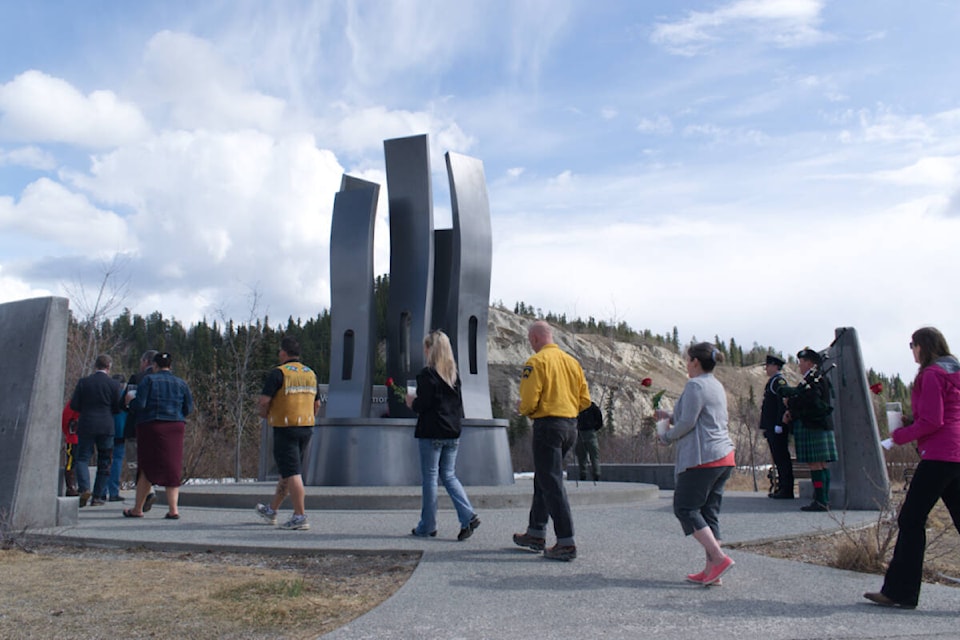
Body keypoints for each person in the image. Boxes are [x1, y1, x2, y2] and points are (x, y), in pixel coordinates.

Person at [864, 327, 960, 610]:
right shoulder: (955, 370)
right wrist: (911, 420)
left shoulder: (931, 374)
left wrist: (898, 436)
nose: (912, 351)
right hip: (956, 455)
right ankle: (899, 591)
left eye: (912, 345)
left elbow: (932, 421)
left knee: (910, 521)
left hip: (939, 456)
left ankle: (900, 591)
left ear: (923, 346)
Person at [654, 342, 736, 586]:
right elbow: (699, 416)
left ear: (695, 362)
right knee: (709, 513)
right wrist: (669, 416)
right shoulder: (715, 385)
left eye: (687, 361)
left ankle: (719, 559)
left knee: (685, 508)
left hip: (703, 458)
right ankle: (712, 571)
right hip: (723, 456)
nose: (686, 366)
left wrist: (665, 436)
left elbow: (688, 422)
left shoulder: (695, 385)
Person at [513, 320, 591, 561]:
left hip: (548, 425)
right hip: (570, 425)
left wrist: (525, 409)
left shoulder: (536, 362)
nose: (530, 344)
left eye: (530, 340)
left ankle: (566, 542)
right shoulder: (572, 362)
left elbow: (529, 399)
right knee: (545, 478)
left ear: (535, 339)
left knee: (552, 482)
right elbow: (584, 399)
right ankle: (536, 531)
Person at [406, 330, 481, 541]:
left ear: (430, 350)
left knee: (430, 478)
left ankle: (427, 525)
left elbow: (424, 404)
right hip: (452, 431)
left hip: (432, 431)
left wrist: (412, 403)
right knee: (448, 475)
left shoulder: (427, 375)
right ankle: (467, 516)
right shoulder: (454, 376)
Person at [255, 336, 319, 531]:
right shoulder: (310, 373)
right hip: (306, 426)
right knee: (287, 469)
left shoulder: (279, 373)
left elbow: (264, 400)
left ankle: (300, 515)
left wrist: (263, 414)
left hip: (285, 426)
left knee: (292, 472)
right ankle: (272, 509)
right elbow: (317, 403)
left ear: (283, 353)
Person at [123, 352, 194, 520]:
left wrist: (128, 402)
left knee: (146, 466)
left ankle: (138, 508)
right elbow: (188, 408)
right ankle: (173, 509)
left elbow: (140, 404)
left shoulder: (149, 380)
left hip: (151, 425)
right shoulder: (181, 383)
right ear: (170, 365)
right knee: (172, 466)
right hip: (175, 426)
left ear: (154, 365)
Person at [778, 347, 837, 512]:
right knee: (821, 464)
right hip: (819, 425)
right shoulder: (814, 378)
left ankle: (821, 500)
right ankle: (822, 498)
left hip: (814, 425)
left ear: (810, 363)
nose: (799, 366)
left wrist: (790, 404)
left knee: (816, 464)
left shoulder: (814, 379)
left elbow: (811, 402)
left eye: (801, 362)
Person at [69, 354, 122, 507]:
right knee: (105, 461)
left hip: (86, 424)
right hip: (106, 425)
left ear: (95, 365)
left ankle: (84, 488)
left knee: (82, 458)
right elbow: (117, 407)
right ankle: (98, 496)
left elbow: (74, 405)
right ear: (109, 367)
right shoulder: (113, 385)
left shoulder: (84, 383)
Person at [123, 350, 158, 509]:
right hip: (157, 427)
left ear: (145, 362)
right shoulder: (164, 381)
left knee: (134, 463)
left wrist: (129, 402)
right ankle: (148, 492)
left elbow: (124, 402)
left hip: (135, 427)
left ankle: (147, 493)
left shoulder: (137, 379)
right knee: (150, 462)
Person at [760, 354, 793, 499]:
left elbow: (783, 403)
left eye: (768, 366)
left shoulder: (778, 382)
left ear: (775, 366)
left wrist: (779, 424)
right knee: (778, 458)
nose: (766, 368)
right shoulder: (772, 381)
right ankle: (782, 487)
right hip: (772, 426)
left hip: (777, 427)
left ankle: (786, 488)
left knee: (782, 457)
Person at [104, 373, 128, 501]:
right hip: (121, 430)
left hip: (107, 429)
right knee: (117, 460)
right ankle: (113, 491)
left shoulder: (107, 394)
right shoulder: (126, 395)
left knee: (104, 459)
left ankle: (102, 490)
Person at [575, 401, 603, 482]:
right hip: (590, 432)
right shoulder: (593, 407)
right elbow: (600, 422)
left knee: (582, 455)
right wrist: (594, 428)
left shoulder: (578, 407)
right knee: (593, 455)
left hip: (582, 432)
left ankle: (583, 474)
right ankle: (596, 473)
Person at [60, 401, 80, 497]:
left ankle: (79, 485)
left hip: (84, 438)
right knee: (71, 462)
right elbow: (65, 419)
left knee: (80, 461)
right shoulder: (74, 403)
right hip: (73, 438)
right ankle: (70, 486)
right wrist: (68, 433)